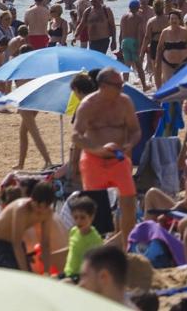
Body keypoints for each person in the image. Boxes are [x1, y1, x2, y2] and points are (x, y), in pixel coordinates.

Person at [73, 67, 141, 248]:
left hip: (118, 158)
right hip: (94, 159)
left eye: (122, 84)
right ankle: (95, 251)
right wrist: (97, 150)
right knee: (95, 209)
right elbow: (76, 136)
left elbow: (135, 130)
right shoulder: (88, 104)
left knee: (128, 203)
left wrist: (130, 144)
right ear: (103, 86)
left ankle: (128, 249)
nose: (121, 88)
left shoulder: (125, 102)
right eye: (117, 85)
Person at [0, 180, 55, 270]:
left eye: (45, 207)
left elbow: (45, 243)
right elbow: (16, 242)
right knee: (14, 274)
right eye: (38, 206)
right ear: (32, 199)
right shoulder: (21, 209)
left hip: (15, 244)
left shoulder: (48, 213)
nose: (40, 211)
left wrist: (47, 271)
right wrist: (24, 271)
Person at [62, 195, 105, 279]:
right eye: (75, 217)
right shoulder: (74, 231)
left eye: (82, 217)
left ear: (91, 217)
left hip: (81, 277)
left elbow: (98, 263)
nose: (78, 221)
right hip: (68, 272)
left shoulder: (94, 239)